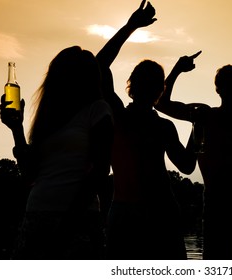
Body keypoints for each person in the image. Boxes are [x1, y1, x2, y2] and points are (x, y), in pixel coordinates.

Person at [96, 0, 197, 260]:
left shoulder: (120, 116)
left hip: (140, 213)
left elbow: (98, 67)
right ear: (159, 90)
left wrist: (131, 26)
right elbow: (187, 165)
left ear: (131, 84)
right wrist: (198, 128)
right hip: (153, 213)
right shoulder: (158, 125)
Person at [0, 46, 113, 259]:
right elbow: (30, 173)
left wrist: (67, 225)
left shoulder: (97, 110)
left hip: (78, 220)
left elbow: (100, 171)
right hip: (37, 215)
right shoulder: (49, 119)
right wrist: (17, 129)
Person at [155, 55, 232, 259]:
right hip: (229, 203)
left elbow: (161, 103)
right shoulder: (211, 117)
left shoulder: (209, 116)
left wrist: (177, 70)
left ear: (217, 89)